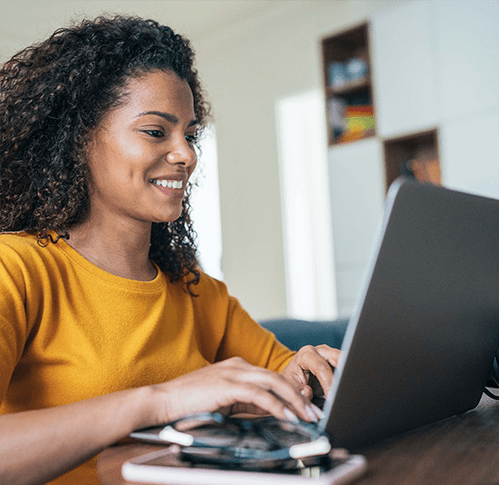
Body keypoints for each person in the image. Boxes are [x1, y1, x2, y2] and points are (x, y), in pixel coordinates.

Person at [0, 15, 340, 485]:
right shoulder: (15, 269)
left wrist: (305, 373)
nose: (187, 155)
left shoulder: (194, 289)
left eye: (191, 134)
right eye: (156, 132)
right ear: (79, 139)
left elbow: (280, 376)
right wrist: (159, 400)